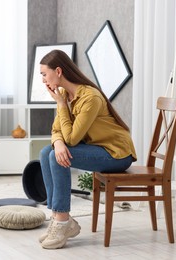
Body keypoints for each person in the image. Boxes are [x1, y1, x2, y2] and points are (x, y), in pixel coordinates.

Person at [38, 50, 137, 249]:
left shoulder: (90, 98)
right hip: (96, 148)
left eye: (44, 74)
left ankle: (63, 221)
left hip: (116, 153)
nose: (43, 80)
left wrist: (60, 105)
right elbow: (57, 130)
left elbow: (72, 139)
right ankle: (59, 218)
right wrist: (57, 143)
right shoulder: (65, 93)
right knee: (45, 152)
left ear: (58, 71)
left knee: (57, 157)